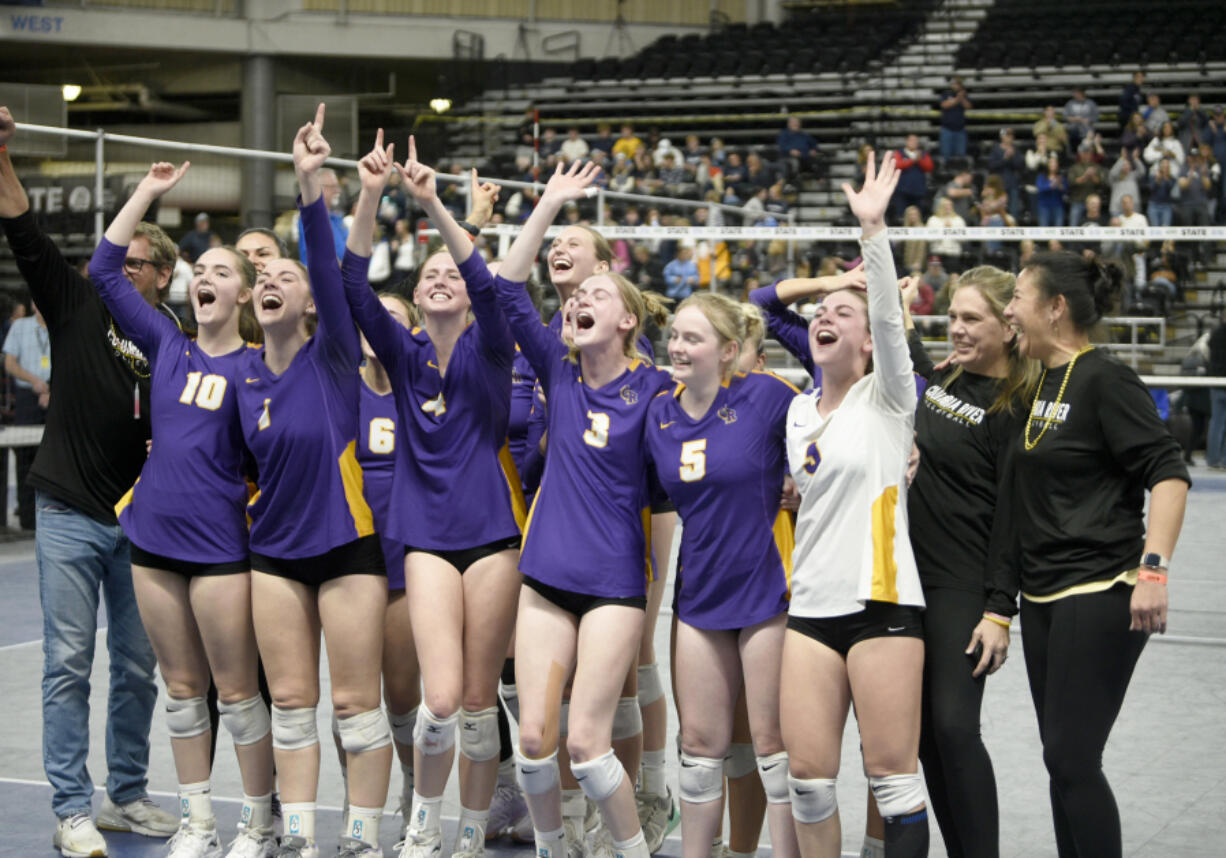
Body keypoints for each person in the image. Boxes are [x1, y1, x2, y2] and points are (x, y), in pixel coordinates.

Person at [0, 106, 182, 858]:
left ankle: (128, 796)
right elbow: (20, 224)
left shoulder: (175, 335)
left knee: (138, 667)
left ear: (161, 276)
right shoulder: (76, 303)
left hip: (142, 523)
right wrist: (3, 152)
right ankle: (73, 805)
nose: (115, 268)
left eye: (134, 263)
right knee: (69, 659)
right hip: (73, 508)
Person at [89, 161, 277, 858]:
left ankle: (259, 821)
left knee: (236, 692)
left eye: (224, 272)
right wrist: (147, 194)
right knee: (181, 688)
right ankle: (199, 822)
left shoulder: (259, 370)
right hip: (154, 541)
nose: (207, 277)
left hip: (224, 547)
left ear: (247, 295)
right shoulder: (168, 344)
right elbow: (107, 272)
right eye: (201, 269)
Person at [348, 133, 525, 858]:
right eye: (428, 272)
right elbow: (354, 288)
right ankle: (424, 817)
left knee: (481, 703)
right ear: (417, 299)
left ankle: (474, 828)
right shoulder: (403, 352)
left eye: (450, 269)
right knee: (442, 699)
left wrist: (434, 207)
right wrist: (370, 194)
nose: (443, 276)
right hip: (425, 539)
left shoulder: (491, 350)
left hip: (491, 538)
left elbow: (486, 282)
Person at [490, 161, 672, 858]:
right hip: (546, 576)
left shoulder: (654, 389)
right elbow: (507, 287)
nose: (578, 300)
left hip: (616, 585)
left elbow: (704, 456)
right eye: (575, 296)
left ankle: (629, 850)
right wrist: (548, 204)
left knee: (588, 743)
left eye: (597, 291)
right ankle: (551, 848)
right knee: (535, 741)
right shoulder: (557, 369)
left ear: (627, 319)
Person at [997, 252, 1190, 857]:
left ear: (1056, 308)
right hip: (1046, 597)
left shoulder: (1105, 379)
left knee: (1073, 756)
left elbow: (1169, 473)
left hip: (1100, 590)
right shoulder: (1039, 383)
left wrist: (1153, 571)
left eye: (1019, 297)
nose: (1008, 310)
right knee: (1062, 761)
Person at [241, 104, 393, 858]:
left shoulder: (333, 353)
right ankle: (300, 840)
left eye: (286, 274)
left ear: (308, 303)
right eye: (261, 275)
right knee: (294, 706)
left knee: (358, 708)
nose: (271, 278)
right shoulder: (239, 377)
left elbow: (332, 268)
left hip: (347, 549)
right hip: (273, 555)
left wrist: (313, 188)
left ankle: (361, 841)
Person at [782, 151, 929, 858]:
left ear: (867, 340)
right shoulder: (796, 413)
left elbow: (892, 326)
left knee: (893, 779)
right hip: (809, 607)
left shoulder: (889, 397)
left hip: (882, 601)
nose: (823, 316)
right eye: (818, 311)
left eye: (842, 311)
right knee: (808, 781)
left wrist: (873, 233)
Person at [644, 292, 801, 858]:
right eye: (676, 336)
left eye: (694, 338)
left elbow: (833, 423)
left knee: (772, 746)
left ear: (730, 351)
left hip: (767, 594)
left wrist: (799, 479)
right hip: (699, 597)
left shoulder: (766, 396)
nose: (678, 347)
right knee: (700, 745)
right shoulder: (658, 412)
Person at [904, 266, 1039, 858]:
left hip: (963, 584)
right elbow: (902, 345)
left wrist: (997, 610)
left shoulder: (1017, 408)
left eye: (971, 320)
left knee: (956, 729)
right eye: (952, 317)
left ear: (1009, 327)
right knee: (928, 738)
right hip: (908, 579)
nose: (955, 329)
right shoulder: (944, 376)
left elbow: (1014, 518)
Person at [351, 288, 423, 839]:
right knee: (352, 701)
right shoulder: (337, 388)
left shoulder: (420, 393)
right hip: (350, 559)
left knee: (402, 698)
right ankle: (360, 811)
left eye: (394, 319)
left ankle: (413, 784)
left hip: (404, 562)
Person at [2, 298, 50, 530]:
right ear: (33, 304)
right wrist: (35, 382)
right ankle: (27, 519)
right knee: (25, 459)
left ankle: (52, 517)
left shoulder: (61, 324)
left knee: (53, 457)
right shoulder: (19, 327)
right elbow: (10, 364)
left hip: (56, 394)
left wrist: (51, 388)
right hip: (27, 397)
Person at [890, 134, 933, 221]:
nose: (914, 143)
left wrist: (919, 160)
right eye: (911, 140)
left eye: (915, 141)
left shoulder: (923, 154)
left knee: (918, 216)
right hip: (902, 190)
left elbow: (929, 167)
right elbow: (897, 165)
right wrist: (912, 161)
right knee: (901, 216)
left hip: (918, 190)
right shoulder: (899, 153)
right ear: (907, 142)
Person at [1208, 308, 1226, 469]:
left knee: (1216, 423)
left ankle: (1213, 460)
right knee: (1219, 424)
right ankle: (1222, 459)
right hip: (1222, 383)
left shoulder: (1214, 335)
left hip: (1215, 382)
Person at [938, 77, 972, 160]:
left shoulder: (964, 95)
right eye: (955, 84)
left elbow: (968, 106)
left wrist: (962, 98)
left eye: (958, 84)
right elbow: (944, 105)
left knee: (961, 156)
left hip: (960, 130)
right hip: (947, 129)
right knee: (945, 155)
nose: (956, 86)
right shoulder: (946, 94)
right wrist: (958, 99)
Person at [1063, 87, 1099, 151]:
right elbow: (1065, 117)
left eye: (1077, 93)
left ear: (1082, 93)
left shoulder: (1090, 103)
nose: (1075, 95)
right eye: (1075, 93)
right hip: (1073, 131)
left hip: (1086, 130)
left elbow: (1096, 117)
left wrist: (1088, 120)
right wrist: (1075, 119)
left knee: (1088, 140)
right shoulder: (1070, 104)